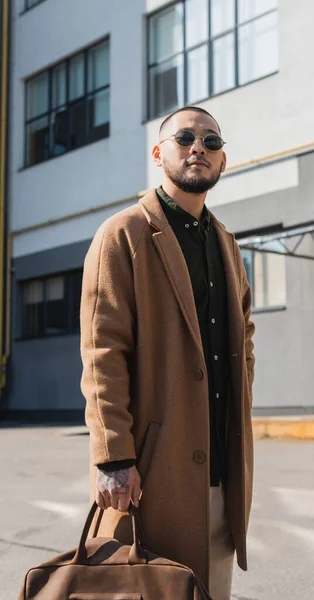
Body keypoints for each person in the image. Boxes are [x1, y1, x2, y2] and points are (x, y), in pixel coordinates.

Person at [80, 106, 255, 600]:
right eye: (185, 138)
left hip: (221, 472)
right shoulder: (123, 234)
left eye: (211, 142)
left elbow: (246, 336)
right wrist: (113, 455)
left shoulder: (227, 244)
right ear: (159, 154)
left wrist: (239, 402)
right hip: (149, 478)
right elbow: (101, 352)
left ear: (223, 163)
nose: (199, 147)